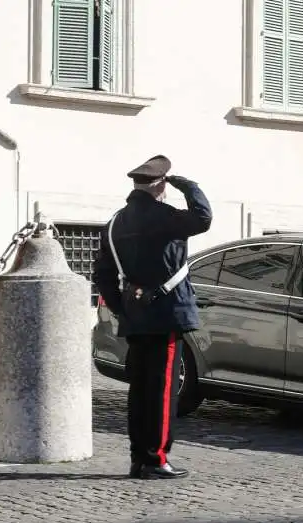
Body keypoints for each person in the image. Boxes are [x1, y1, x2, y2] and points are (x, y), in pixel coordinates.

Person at [92, 155, 212, 479]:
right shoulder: (165, 216)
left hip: (136, 317)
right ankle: (156, 459)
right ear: (160, 184)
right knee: (161, 392)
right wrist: (189, 185)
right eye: (166, 183)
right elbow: (203, 218)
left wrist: (122, 308)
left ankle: (138, 458)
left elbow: (102, 274)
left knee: (140, 390)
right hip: (166, 314)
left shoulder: (115, 222)